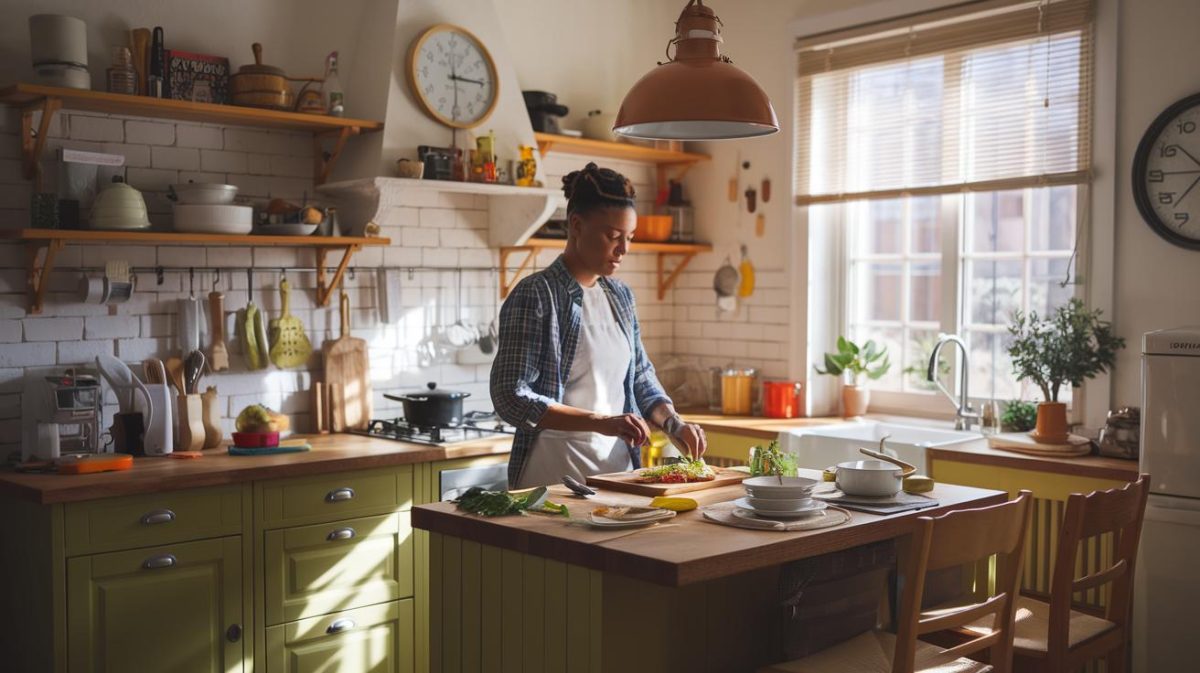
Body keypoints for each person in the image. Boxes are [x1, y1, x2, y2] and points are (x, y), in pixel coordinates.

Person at [491, 163, 707, 488]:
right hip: (551, 480)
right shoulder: (537, 295)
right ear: (576, 225)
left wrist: (674, 424)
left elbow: (640, 376)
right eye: (613, 236)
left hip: (617, 478)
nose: (624, 249)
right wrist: (600, 422)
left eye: (629, 238)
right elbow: (510, 395)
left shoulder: (620, 295)